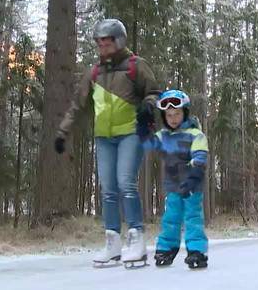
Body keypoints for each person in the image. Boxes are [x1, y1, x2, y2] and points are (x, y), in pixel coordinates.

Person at [55, 19, 161, 266]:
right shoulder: (94, 73)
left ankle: (136, 238)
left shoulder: (135, 66)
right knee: (108, 189)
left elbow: (154, 92)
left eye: (107, 42)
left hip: (131, 133)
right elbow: (77, 106)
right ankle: (113, 241)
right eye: (99, 43)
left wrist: (148, 106)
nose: (102, 47)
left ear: (119, 41)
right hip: (104, 137)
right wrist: (63, 133)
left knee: (126, 183)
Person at [141, 90, 209, 269]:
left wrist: (194, 176)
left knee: (193, 217)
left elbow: (201, 155)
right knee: (171, 218)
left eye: (177, 113)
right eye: (169, 115)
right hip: (173, 186)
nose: (173, 118)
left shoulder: (195, 134)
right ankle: (166, 249)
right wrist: (143, 123)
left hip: (192, 185)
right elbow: (146, 143)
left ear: (185, 112)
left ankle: (196, 251)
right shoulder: (163, 136)